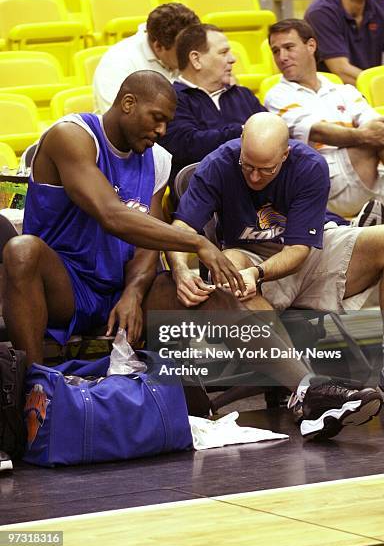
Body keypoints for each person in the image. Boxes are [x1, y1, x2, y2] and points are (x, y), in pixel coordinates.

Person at [168, 112, 384, 437]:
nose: (255, 177)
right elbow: (180, 229)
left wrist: (260, 274)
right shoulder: (218, 163)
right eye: (248, 166)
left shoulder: (310, 165)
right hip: (246, 252)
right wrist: (179, 269)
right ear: (241, 148)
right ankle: (310, 393)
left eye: (266, 169)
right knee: (230, 269)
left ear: (286, 154)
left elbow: (298, 251)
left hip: (302, 250)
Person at [2, 71, 247, 368]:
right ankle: (34, 388)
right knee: (22, 250)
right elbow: (111, 215)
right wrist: (197, 242)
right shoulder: (72, 136)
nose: (162, 130)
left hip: (122, 283)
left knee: (201, 294)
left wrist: (133, 291)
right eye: (156, 118)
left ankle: (194, 402)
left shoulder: (158, 159)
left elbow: (149, 241)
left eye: (167, 122)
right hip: (67, 285)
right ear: (128, 103)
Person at [265, 18, 384, 218]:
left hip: (366, 171)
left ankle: (372, 225)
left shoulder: (343, 89)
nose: (282, 57)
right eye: (276, 51)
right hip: (323, 178)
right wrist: (369, 136)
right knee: (378, 137)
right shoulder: (277, 95)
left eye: (289, 47)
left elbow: (375, 123)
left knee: (383, 133)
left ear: (311, 46)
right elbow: (319, 131)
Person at [159, 23, 266, 202]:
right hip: (204, 201)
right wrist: (244, 131)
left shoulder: (243, 95)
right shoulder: (170, 98)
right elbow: (188, 145)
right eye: (223, 53)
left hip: (262, 195)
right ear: (196, 59)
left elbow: (275, 133)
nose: (232, 59)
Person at [93, 3, 200, 113]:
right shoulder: (118, 63)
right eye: (183, 51)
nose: (192, 57)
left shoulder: (192, 52)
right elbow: (121, 120)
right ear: (158, 46)